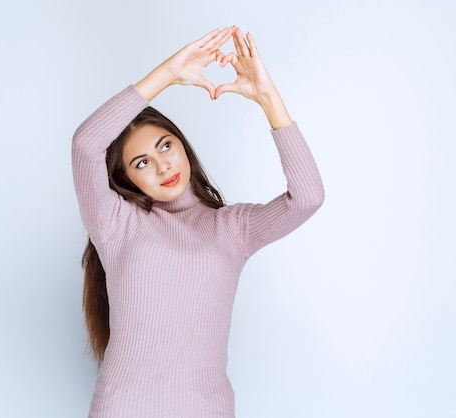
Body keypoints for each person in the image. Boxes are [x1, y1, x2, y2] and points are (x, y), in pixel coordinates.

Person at [72, 26, 324, 418]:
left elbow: (307, 198)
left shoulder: (233, 228)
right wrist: (169, 74)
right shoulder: (116, 223)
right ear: (125, 180)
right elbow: (86, 145)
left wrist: (267, 98)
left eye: (166, 146)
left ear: (182, 145)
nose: (162, 166)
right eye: (142, 163)